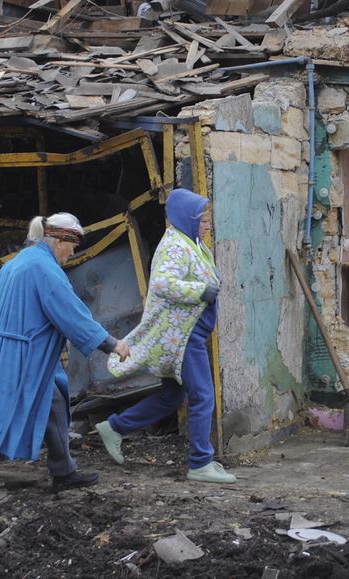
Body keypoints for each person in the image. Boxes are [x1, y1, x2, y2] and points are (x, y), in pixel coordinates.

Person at [0, 212, 130, 516]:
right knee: (3, 417)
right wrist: (112, 344)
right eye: (72, 245)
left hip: (16, 351)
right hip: (26, 358)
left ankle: (63, 471)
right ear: (58, 239)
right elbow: (73, 316)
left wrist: (10, 332)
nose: (73, 252)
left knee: (52, 403)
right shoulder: (45, 270)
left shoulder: (18, 262)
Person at [96, 188, 235, 484]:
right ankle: (200, 463)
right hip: (183, 338)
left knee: (173, 396)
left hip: (187, 335)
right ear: (187, 217)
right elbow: (161, 284)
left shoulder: (192, 242)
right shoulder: (174, 245)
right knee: (202, 395)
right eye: (203, 219)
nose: (208, 224)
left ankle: (115, 427)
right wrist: (199, 290)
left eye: (208, 219)